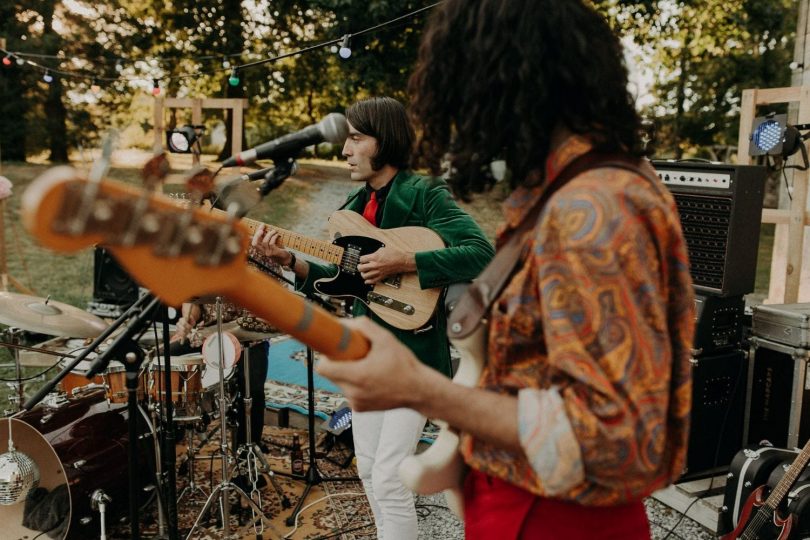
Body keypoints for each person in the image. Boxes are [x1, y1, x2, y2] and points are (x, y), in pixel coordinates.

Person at [314, 1, 695, 539]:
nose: (459, 111)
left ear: (509, 80)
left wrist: (422, 390)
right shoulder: (560, 193)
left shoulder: (595, 207)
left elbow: (618, 437)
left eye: (465, 87)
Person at [251, 96, 495, 539]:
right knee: (367, 469)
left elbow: (482, 253)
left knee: (389, 477)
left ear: (385, 142)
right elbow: (344, 278)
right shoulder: (354, 203)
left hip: (415, 356)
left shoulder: (424, 193)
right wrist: (289, 259)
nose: (344, 150)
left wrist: (406, 261)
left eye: (356, 138)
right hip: (368, 354)